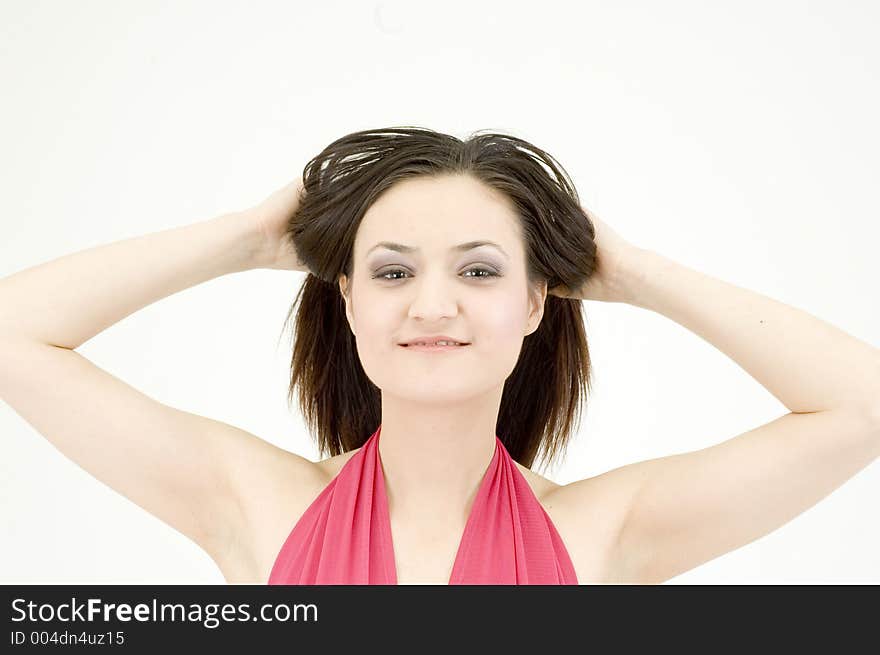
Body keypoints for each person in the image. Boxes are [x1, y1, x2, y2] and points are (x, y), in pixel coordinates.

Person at [1, 126, 878, 584]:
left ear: (537, 301)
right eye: (391, 270)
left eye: (479, 269)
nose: (432, 304)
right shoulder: (258, 509)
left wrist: (632, 271)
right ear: (346, 297)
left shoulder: (600, 534)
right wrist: (251, 238)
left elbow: (863, 404)